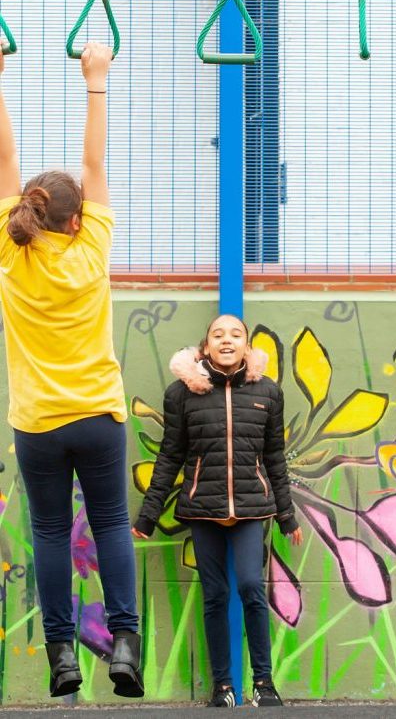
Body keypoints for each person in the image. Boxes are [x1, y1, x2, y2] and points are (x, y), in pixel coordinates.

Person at [0, 42, 143, 699]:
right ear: (78, 219)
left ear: (30, 212)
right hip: (97, 414)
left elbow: (3, 160)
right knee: (111, 524)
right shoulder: (93, 249)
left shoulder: (12, 251)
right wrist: (96, 80)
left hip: (38, 423)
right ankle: (125, 643)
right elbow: (94, 163)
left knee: (51, 533)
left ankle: (62, 654)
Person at [133, 313, 303, 708]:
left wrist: (286, 515)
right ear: (206, 346)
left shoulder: (268, 392)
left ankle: (263, 682)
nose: (227, 340)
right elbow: (170, 456)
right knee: (215, 594)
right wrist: (148, 514)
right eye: (218, 334)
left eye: (236, 334)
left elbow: (275, 458)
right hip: (203, 509)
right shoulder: (182, 394)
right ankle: (223, 686)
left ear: (246, 346)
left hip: (250, 509)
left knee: (250, 587)